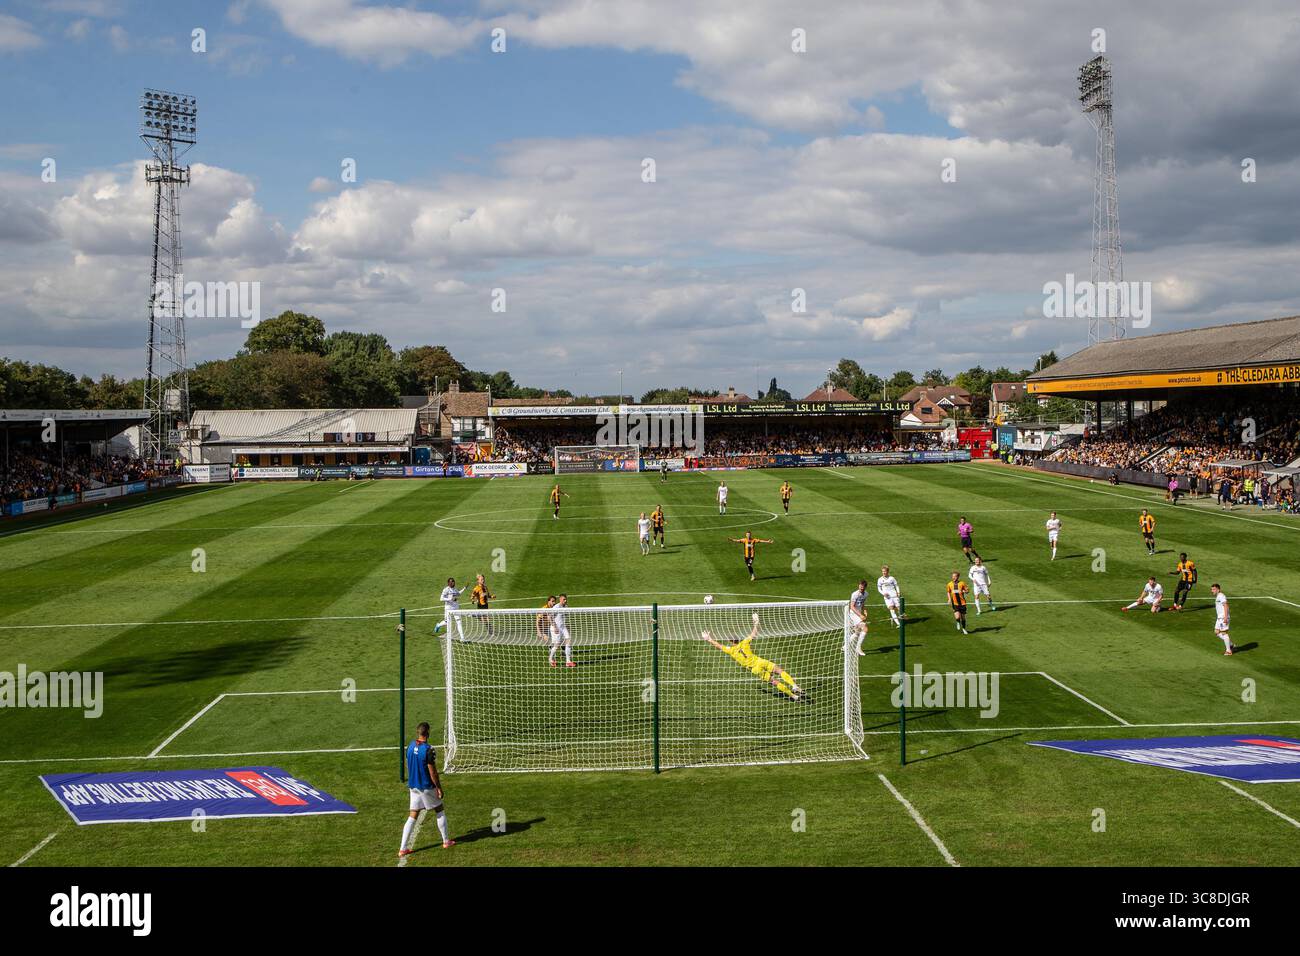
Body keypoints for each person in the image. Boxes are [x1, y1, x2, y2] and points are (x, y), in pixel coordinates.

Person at [701, 612, 802, 700]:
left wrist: (709, 639)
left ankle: (793, 696)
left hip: (755, 669)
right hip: (760, 661)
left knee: (774, 681)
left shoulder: (731, 650)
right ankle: (794, 685)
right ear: (738, 639)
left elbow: (719, 646)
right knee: (780, 671)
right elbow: (753, 633)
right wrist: (756, 623)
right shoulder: (745, 642)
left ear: (730, 642)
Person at [399, 722, 454, 857]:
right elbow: (433, 773)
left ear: (418, 732)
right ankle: (446, 841)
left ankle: (402, 849)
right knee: (439, 809)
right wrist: (439, 788)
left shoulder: (410, 747)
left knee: (413, 815)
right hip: (426, 786)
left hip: (413, 786)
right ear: (427, 732)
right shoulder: (429, 750)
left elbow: (409, 765)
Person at [547, 594, 575, 667]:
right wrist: (555, 626)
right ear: (560, 600)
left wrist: (567, 625)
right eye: (564, 599)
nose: (565, 601)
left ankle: (568, 662)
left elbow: (564, 617)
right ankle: (550, 659)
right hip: (556, 628)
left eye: (566, 599)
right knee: (557, 645)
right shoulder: (556, 607)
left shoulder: (566, 607)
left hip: (563, 627)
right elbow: (549, 617)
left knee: (568, 641)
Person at [440, 577, 468, 642]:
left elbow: (458, 593)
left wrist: (464, 588)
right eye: (452, 581)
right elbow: (441, 598)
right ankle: (438, 625)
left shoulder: (455, 589)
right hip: (448, 608)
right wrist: (450, 599)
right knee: (447, 622)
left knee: (459, 621)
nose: (453, 582)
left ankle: (462, 638)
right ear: (448, 583)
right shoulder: (446, 590)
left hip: (455, 608)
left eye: (454, 581)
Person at [1211, 583, 1234, 656]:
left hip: (1223, 617)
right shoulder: (1218, 596)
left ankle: (1228, 651)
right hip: (1219, 618)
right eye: (1211, 589)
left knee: (1224, 633)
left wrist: (1225, 617)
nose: (1212, 591)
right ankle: (1230, 644)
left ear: (1218, 589)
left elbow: (1226, 605)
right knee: (1217, 632)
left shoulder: (1221, 596)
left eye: (1214, 589)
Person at [848, 580, 869, 656]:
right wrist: (860, 615)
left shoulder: (866, 594)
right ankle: (858, 648)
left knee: (857, 632)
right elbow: (852, 607)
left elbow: (862, 604)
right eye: (860, 587)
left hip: (859, 613)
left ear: (865, 587)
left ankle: (845, 646)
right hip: (854, 614)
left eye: (862, 588)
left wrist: (865, 610)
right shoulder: (855, 594)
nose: (861, 589)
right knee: (865, 628)